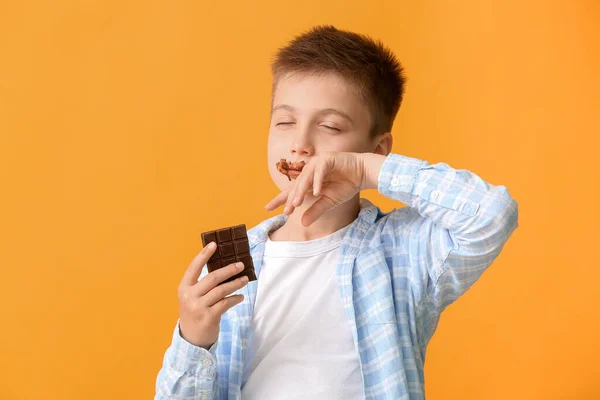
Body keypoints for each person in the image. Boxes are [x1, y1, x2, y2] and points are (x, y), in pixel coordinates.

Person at [155, 25, 519, 400]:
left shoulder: (403, 252)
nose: (299, 144)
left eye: (328, 126)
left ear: (376, 149)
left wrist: (367, 171)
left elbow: (491, 215)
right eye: (284, 121)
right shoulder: (229, 267)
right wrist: (193, 339)